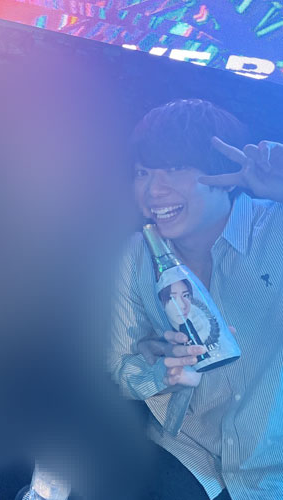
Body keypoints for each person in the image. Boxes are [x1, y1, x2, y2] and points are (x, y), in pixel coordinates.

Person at [109, 98, 283, 500]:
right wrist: (159, 370)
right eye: (142, 172)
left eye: (175, 169)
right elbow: (120, 366)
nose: (154, 190)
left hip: (272, 470)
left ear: (225, 175)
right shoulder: (134, 255)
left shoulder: (275, 228)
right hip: (186, 452)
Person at [157, 279, 210, 363]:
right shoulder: (161, 331)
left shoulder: (190, 323)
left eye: (186, 295)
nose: (182, 305)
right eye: (171, 298)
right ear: (160, 303)